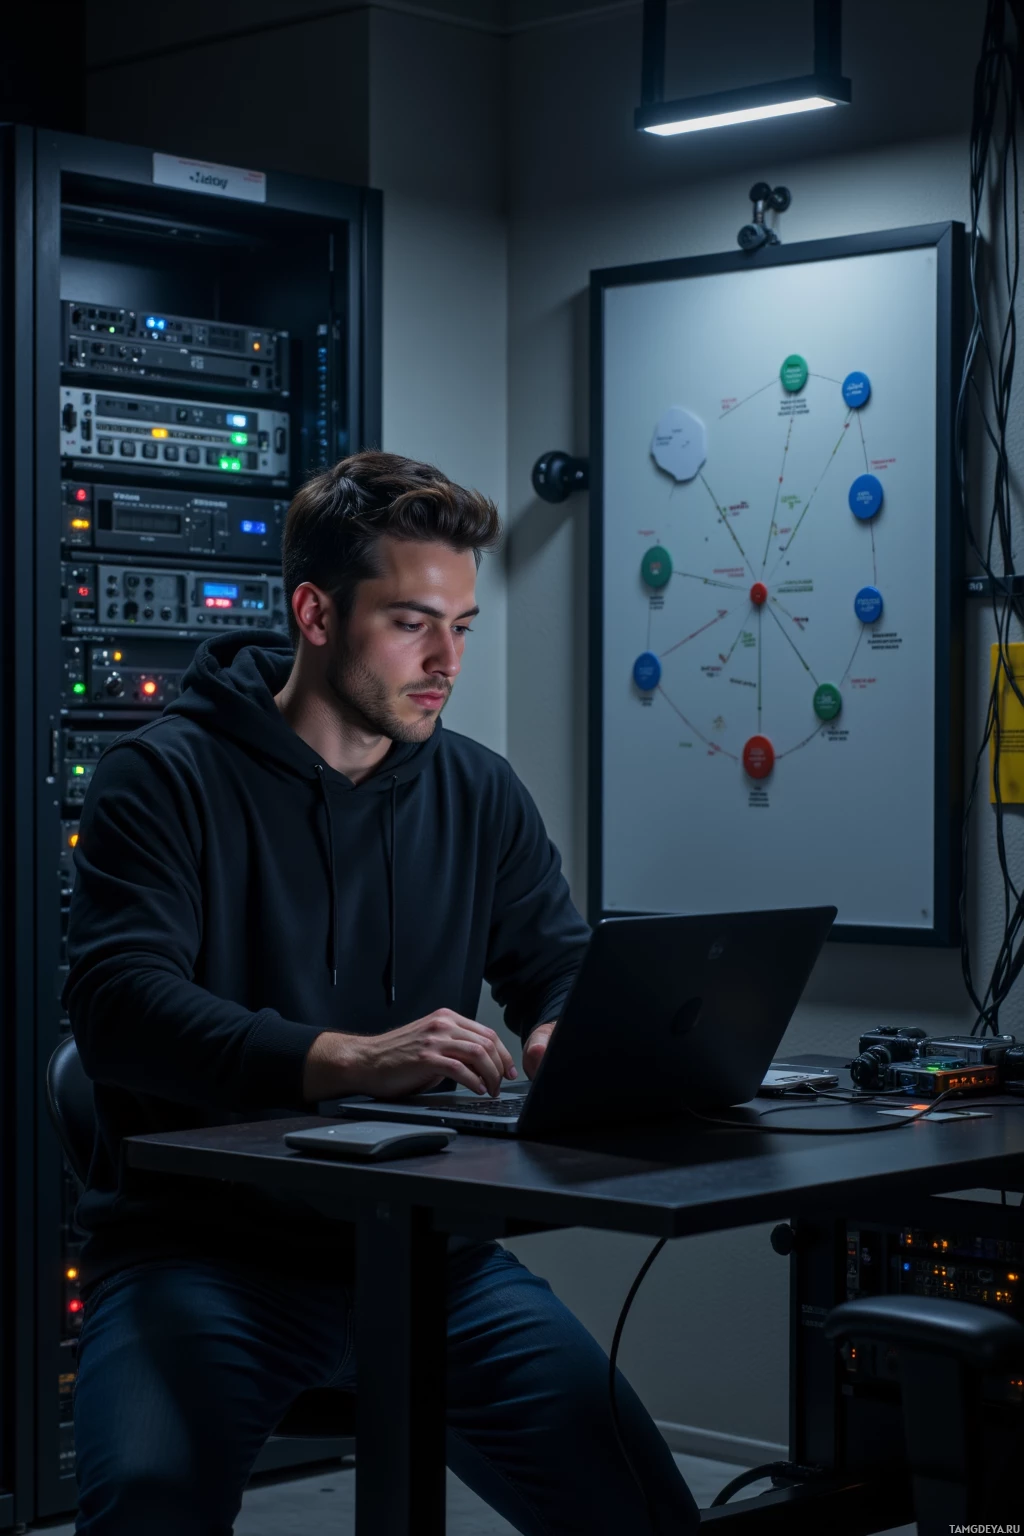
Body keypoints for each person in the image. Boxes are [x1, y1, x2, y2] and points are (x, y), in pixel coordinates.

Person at [65, 449, 701, 1535]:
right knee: (148, 1510)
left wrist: (567, 1029)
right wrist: (344, 1059)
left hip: (432, 1255)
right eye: (412, 622)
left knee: (643, 1512)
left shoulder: (476, 788)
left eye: (461, 625)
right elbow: (120, 1004)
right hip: (210, 1257)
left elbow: (555, 964)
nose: (445, 659)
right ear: (315, 613)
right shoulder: (163, 777)